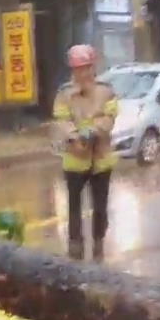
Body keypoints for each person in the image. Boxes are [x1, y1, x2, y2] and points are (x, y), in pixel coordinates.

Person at [51, 45, 118, 260]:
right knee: (74, 206)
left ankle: (98, 242)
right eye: (77, 69)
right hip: (75, 158)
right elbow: (61, 119)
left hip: (101, 158)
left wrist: (94, 131)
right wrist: (75, 136)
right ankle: (75, 244)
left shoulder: (106, 91)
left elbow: (110, 117)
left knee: (100, 206)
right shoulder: (64, 94)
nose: (82, 73)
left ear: (93, 67)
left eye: (86, 68)